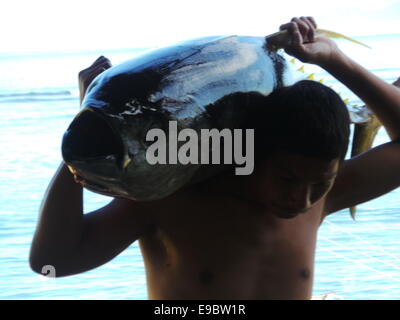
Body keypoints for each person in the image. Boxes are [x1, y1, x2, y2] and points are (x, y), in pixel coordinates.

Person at [29, 17, 400, 299]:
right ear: (251, 152)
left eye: (321, 183)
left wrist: (336, 59)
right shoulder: (170, 200)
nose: (302, 200)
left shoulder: (321, 197)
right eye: (287, 179)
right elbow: (52, 263)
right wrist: (86, 133)